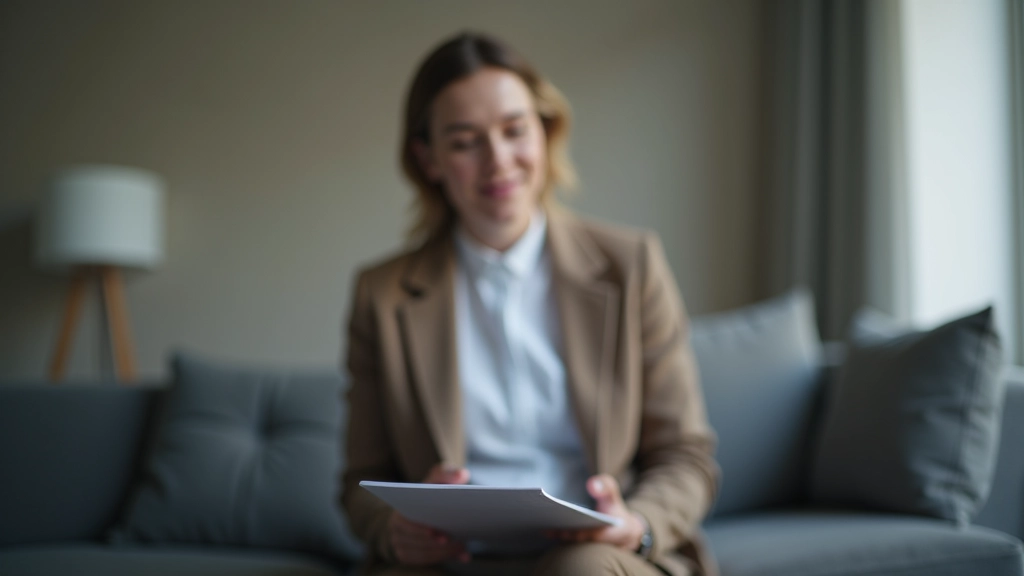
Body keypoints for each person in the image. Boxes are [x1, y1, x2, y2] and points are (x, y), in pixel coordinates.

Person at [341, 31, 719, 576]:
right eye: (466, 141)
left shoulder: (631, 264)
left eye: (515, 130)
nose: (498, 161)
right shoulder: (381, 295)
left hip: (595, 555)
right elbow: (359, 482)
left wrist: (635, 523)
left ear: (545, 134)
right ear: (429, 159)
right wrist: (393, 530)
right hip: (454, 562)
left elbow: (687, 456)